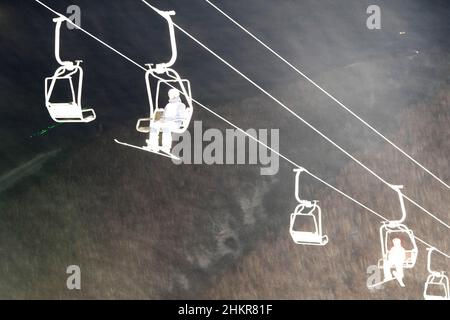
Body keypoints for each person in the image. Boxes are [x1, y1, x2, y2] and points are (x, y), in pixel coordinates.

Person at [149, 89, 187, 153]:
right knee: (154, 124)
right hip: (167, 122)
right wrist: (162, 119)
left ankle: (166, 146)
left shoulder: (180, 105)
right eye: (169, 94)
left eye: (171, 94)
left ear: (175, 95)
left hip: (175, 123)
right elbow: (164, 115)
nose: (169, 96)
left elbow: (181, 117)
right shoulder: (168, 105)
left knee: (166, 126)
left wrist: (168, 119)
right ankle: (153, 144)